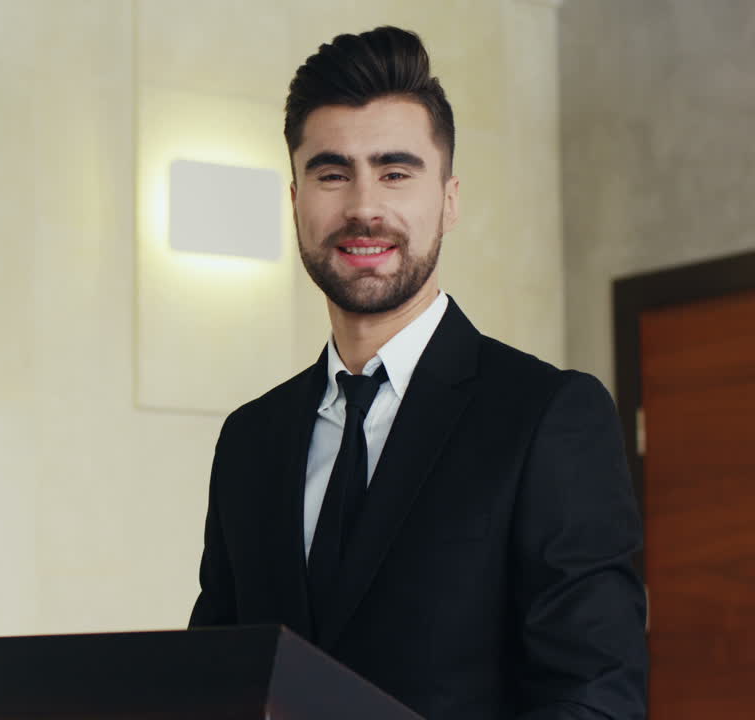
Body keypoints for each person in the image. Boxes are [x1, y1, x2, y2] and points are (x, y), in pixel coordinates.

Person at [187, 26, 647, 720]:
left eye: (395, 171)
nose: (364, 206)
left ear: (449, 200)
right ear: (295, 201)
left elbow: (595, 697)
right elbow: (216, 682)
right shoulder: (250, 440)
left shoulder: (547, 416)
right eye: (332, 172)